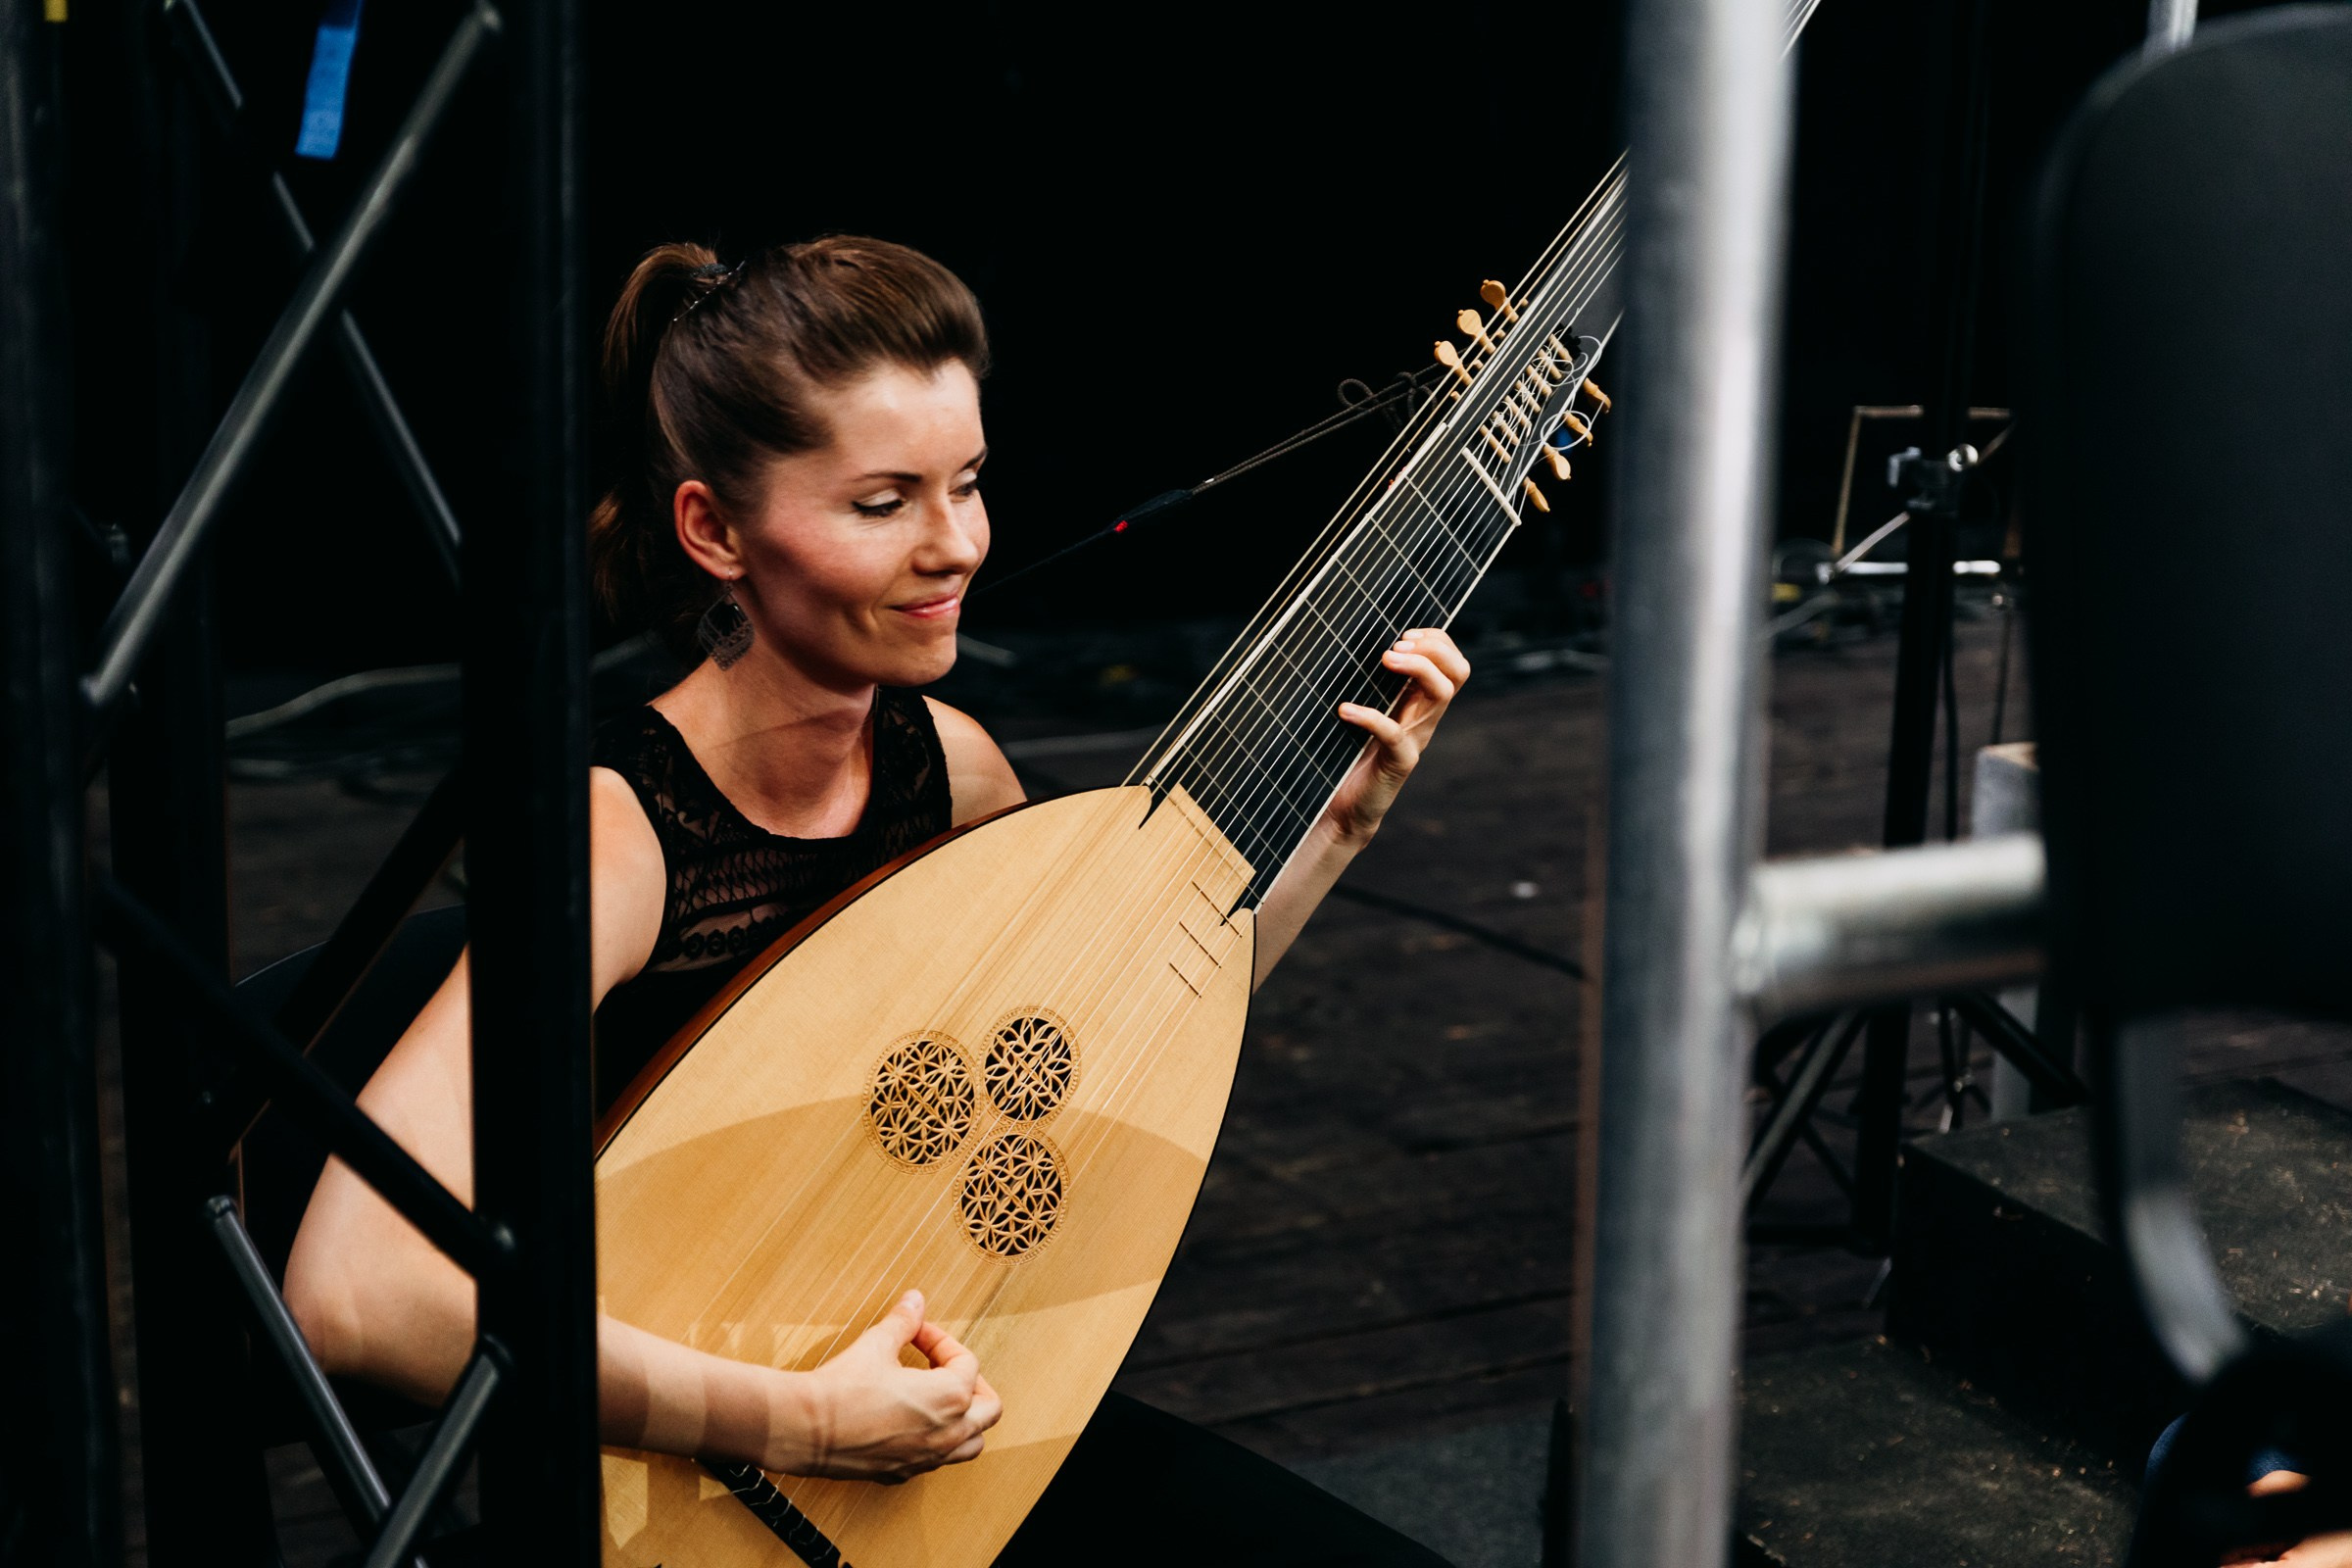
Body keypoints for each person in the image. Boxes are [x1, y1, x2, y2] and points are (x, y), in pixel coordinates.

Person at [283, 234, 1470, 1565]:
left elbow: (1089, 1063)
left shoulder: (949, 769)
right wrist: (802, 1420)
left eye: (966, 484)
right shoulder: (620, 835)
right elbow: (355, 1293)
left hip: (933, 1452)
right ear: (714, 531)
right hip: (675, 1503)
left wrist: (1338, 833)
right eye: (881, 503)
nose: (953, 546)